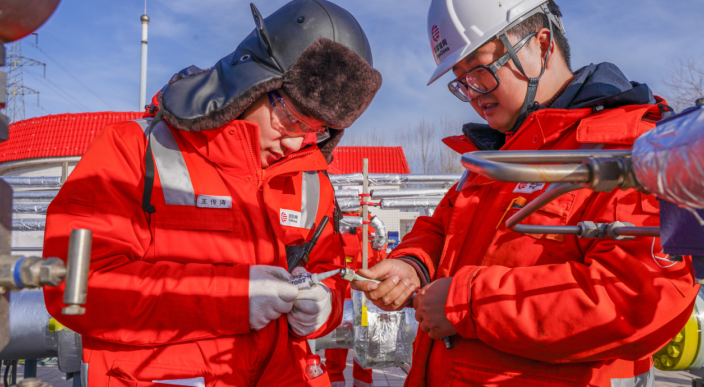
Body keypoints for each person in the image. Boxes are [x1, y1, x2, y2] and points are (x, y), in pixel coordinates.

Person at [352, 1, 697, 386]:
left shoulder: (633, 150)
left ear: (542, 44)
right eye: (461, 81)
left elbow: (636, 299)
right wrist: (412, 266)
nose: (473, 94)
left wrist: (467, 303)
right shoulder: (499, 158)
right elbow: (442, 227)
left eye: (481, 72)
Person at [42, 1, 382, 386]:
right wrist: (230, 297)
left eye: (318, 130)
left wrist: (325, 308)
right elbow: (76, 286)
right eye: (291, 118)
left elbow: (330, 277)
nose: (298, 143)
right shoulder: (134, 151)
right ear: (255, 81)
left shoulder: (311, 181)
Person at [325, 212, 387, 387]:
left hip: (355, 302)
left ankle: (349, 382)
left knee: (359, 348)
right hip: (350, 301)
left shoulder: (367, 229)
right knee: (341, 348)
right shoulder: (360, 228)